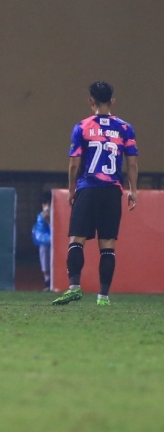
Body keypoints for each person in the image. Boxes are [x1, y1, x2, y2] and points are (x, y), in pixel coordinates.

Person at [53, 81, 138, 307]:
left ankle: (74, 287)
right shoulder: (125, 128)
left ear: (91, 101)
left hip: (88, 188)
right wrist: (133, 190)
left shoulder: (82, 126)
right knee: (108, 244)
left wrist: (72, 189)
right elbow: (132, 164)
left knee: (77, 239)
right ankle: (103, 297)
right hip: (112, 190)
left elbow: (74, 163)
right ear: (112, 101)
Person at [32, 191, 53, 291]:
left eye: (49, 203)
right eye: (45, 203)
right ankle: (47, 280)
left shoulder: (63, 214)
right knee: (43, 249)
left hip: (61, 245)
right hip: (48, 243)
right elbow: (39, 236)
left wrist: (50, 222)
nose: (47, 206)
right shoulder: (41, 216)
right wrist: (47, 220)